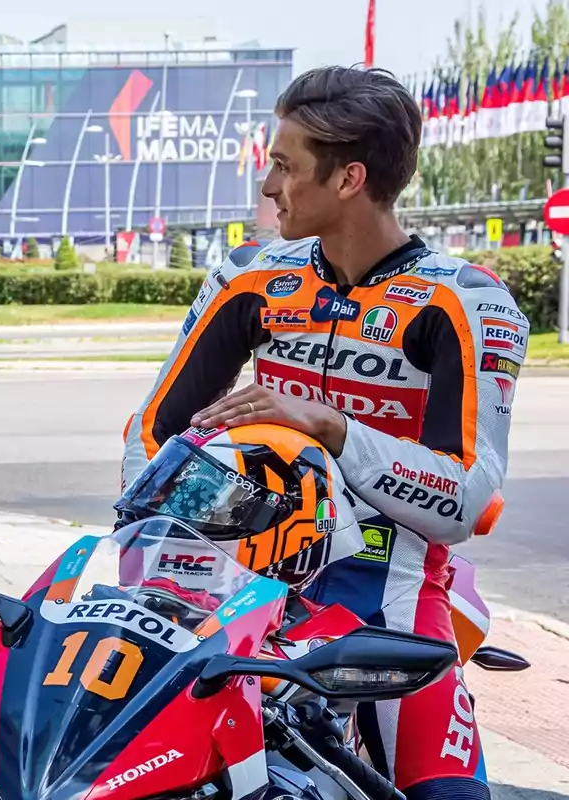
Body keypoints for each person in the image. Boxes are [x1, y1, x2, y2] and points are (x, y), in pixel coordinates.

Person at [121, 65, 525, 800]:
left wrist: (334, 429)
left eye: (284, 164)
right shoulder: (249, 274)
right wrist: (173, 542)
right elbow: (154, 435)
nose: (269, 184)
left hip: (392, 594)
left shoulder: (466, 301)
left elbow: (466, 499)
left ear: (348, 179)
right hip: (234, 594)